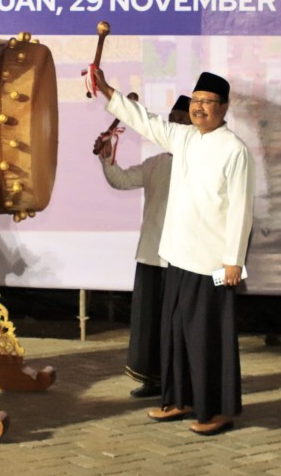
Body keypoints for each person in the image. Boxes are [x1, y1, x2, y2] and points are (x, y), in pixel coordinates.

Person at [92, 69, 254, 437]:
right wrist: (107, 91)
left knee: (208, 337)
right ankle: (180, 399)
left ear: (224, 107)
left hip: (214, 262)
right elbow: (142, 119)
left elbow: (242, 209)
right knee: (176, 333)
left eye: (207, 103)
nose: (199, 109)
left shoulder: (235, 150)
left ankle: (217, 410)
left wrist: (234, 261)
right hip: (177, 256)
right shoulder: (182, 138)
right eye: (195, 102)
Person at [96, 95, 191, 399]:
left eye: (182, 120)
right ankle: (151, 379)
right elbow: (121, 180)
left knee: (174, 323)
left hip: (182, 258)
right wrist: (107, 158)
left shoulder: (199, 164)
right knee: (149, 322)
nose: (175, 124)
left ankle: (177, 380)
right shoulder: (156, 163)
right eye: (173, 119)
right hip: (151, 253)